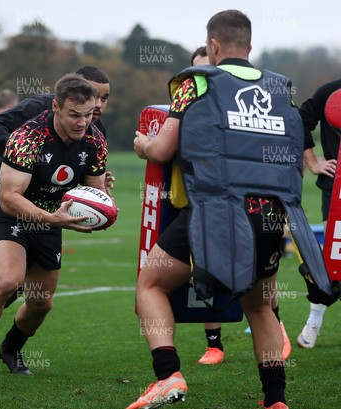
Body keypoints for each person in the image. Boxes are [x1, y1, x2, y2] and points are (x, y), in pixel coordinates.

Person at [128, 10, 331, 409]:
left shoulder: (197, 82)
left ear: (214, 46)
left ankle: (168, 375)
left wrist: (143, 146)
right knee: (258, 306)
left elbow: (164, 148)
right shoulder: (279, 89)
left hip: (215, 212)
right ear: (250, 47)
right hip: (271, 216)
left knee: (150, 286)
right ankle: (275, 400)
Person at [0, 73, 108, 383]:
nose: (82, 122)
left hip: (49, 216)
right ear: (56, 107)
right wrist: (54, 219)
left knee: (41, 301)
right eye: (74, 114)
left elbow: (95, 190)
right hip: (10, 214)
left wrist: (101, 205)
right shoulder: (27, 135)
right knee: (6, 280)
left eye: (87, 115)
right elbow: (9, 198)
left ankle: (11, 347)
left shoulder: (95, 140)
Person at [185, 46, 291, 365]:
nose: (204, 75)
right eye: (198, 69)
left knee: (263, 286)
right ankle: (214, 345)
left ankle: (278, 327)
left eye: (208, 67)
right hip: (204, 203)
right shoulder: (191, 101)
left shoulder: (252, 105)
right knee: (204, 273)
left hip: (256, 206)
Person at [296, 78, 341, 348]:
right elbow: (300, 122)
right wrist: (313, 163)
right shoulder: (329, 92)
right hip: (335, 190)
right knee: (332, 261)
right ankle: (314, 320)